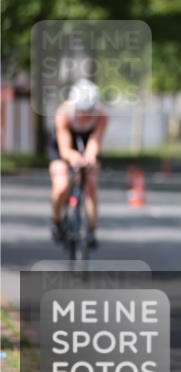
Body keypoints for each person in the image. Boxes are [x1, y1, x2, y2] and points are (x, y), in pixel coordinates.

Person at [48, 79, 109, 249]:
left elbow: (95, 141)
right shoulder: (63, 114)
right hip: (64, 145)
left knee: (91, 184)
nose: (85, 116)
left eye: (89, 112)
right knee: (61, 185)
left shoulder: (102, 116)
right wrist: (72, 156)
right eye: (81, 111)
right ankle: (56, 221)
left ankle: (92, 230)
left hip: (87, 141)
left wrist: (90, 156)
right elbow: (65, 149)